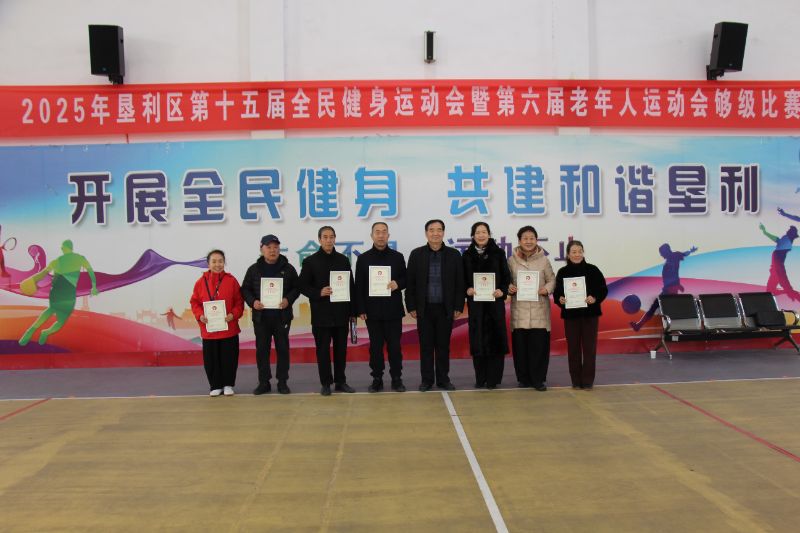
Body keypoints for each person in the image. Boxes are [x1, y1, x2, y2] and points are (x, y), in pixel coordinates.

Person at [405, 219, 465, 391]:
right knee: (426, 347)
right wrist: (411, 306)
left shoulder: (454, 255)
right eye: (432, 230)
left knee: (443, 346)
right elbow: (410, 283)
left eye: (439, 230)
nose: (435, 233)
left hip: (445, 309)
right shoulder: (417, 254)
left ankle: (443, 379)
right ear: (426, 233)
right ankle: (426, 380)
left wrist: (458, 306)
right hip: (424, 309)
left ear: (443, 233)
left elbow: (460, 283)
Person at [298, 226, 356, 396]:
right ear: (319, 239)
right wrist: (318, 292)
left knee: (341, 350)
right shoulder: (310, 261)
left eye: (331, 237)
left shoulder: (343, 260)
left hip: (341, 313)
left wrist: (352, 312)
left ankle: (340, 381)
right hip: (321, 314)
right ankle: (325, 383)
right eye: (325, 237)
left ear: (335, 238)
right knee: (322, 351)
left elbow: (351, 286)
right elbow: (302, 285)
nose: (329, 240)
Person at [241, 234, 300, 395]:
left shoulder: (288, 269)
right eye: (269, 247)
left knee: (283, 350)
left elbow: (297, 287)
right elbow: (245, 289)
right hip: (261, 318)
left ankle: (282, 381)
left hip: (282, 317)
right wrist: (253, 302)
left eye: (276, 247)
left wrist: (288, 299)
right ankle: (264, 382)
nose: (272, 250)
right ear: (262, 249)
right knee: (262, 350)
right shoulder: (253, 269)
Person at [355, 222, 408, 393]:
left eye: (384, 232)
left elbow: (407, 278)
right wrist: (360, 309)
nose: (381, 235)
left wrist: (398, 283)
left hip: (393, 311)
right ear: (372, 235)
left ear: (388, 236)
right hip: (372, 312)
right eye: (377, 232)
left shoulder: (397, 257)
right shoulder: (363, 259)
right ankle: (377, 378)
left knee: (395, 347)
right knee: (375, 348)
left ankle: (396, 378)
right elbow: (359, 286)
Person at [19, 239, 99, 346]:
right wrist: (94, 287)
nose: (61, 248)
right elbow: (91, 272)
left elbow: (43, 274)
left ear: (64, 248)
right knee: (61, 321)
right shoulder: (80, 258)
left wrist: (31, 280)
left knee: (51, 309)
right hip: (69, 291)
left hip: (56, 289)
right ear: (71, 248)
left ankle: (30, 331)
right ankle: (46, 332)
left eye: (62, 247)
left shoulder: (56, 261)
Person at [553, 240, 607, 390]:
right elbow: (557, 293)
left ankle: (588, 381)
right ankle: (576, 381)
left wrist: (594, 298)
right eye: (574, 252)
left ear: (583, 252)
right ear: (568, 254)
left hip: (590, 315)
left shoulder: (593, 270)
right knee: (573, 349)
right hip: (571, 317)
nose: (577, 254)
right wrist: (560, 299)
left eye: (579, 251)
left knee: (589, 349)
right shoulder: (563, 272)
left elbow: (603, 289)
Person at [462, 222, 511, 389]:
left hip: (495, 305)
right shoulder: (467, 255)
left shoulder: (498, 253)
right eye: (478, 232)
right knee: (478, 340)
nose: (481, 235)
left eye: (484, 232)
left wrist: (502, 291)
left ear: (489, 234)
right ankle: (480, 378)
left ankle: (493, 379)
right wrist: (467, 289)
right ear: (473, 235)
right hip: (476, 306)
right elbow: (462, 280)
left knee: (496, 341)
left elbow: (506, 277)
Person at [189, 249, 245, 397]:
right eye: (214, 261)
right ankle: (215, 385)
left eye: (220, 261)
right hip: (209, 329)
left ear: (224, 263)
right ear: (208, 264)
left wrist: (233, 315)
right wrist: (200, 315)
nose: (217, 264)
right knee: (211, 359)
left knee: (229, 358)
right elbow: (194, 303)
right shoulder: (200, 282)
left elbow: (239, 302)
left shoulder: (231, 281)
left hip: (229, 328)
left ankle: (228, 384)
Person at [507, 225, 556, 391]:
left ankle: (538, 379)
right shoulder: (511, 260)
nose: (528, 241)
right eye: (525, 238)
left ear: (536, 240)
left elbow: (552, 280)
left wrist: (546, 289)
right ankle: (523, 379)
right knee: (520, 347)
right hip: (519, 310)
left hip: (539, 309)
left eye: (531, 238)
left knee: (539, 347)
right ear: (519, 241)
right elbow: (506, 281)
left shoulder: (544, 260)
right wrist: (509, 287)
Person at [630, 243, 698, 331]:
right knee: (658, 307)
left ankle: (639, 325)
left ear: (666, 251)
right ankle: (639, 325)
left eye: (662, 253)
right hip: (668, 289)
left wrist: (691, 251)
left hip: (670, 290)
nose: (661, 255)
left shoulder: (674, 256)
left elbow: (684, 254)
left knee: (657, 307)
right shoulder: (670, 258)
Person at [760, 222, 800, 301]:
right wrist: (765, 232)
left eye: (789, 230)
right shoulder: (786, 239)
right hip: (776, 267)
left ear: (791, 233)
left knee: (786, 288)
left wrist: (765, 232)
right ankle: (787, 291)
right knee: (770, 291)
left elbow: (777, 240)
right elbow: (777, 240)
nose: (787, 231)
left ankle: (789, 292)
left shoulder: (787, 240)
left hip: (777, 266)